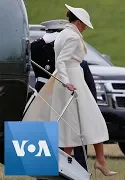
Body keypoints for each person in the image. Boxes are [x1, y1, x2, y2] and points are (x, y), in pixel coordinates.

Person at [23, 4, 117, 177]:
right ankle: (99, 160)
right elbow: (62, 61)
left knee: (70, 126)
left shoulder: (64, 34)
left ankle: (74, 165)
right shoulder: (72, 36)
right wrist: (67, 81)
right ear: (80, 22)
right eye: (85, 25)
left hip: (67, 79)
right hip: (72, 79)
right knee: (92, 119)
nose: (85, 29)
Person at [30, 19, 97, 171]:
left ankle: (76, 168)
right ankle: (74, 168)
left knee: (69, 131)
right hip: (52, 92)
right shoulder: (44, 46)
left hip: (54, 91)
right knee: (66, 130)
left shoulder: (38, 46)